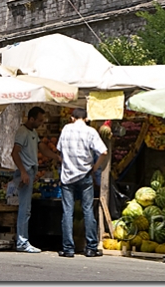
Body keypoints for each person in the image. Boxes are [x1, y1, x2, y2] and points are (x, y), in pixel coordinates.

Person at [57, 107, 108, 258]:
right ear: (86, 119)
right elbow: (103, 152)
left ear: (72, 118)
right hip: (85, 175)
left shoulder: (66, 129)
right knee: (87, 210)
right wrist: (95, 167)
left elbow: (59, 149)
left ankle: (68, 248)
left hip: (67, 176)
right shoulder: (91, 131)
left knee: (67, 211)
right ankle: (91, 247)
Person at [11, 106, 61, 253]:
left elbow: (42, 148)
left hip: (30, 172)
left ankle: (23, 240)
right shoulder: (22, 132)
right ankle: (22, 242)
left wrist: (56, 157)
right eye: (39, 120)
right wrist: (23, 172)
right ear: (31, 119)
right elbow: (14, 153)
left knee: (27, 209)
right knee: (24, 209)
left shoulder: (32, 132)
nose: (41, 123)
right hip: (25, 172)